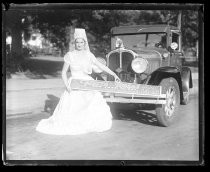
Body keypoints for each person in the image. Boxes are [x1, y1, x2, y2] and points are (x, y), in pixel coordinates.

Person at [36, 28, 120, 135]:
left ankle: (90, 123)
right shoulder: (70, 55)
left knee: (93, 101)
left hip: (87, 83)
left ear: (84, 43)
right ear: (75, 43)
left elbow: (102, 66)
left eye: (81, 42)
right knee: (73, 105)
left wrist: (113, 74)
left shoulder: (89, 55)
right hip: (74, 83)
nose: (79, 44)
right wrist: (67, 85)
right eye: (77, 42)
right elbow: (63, 73)